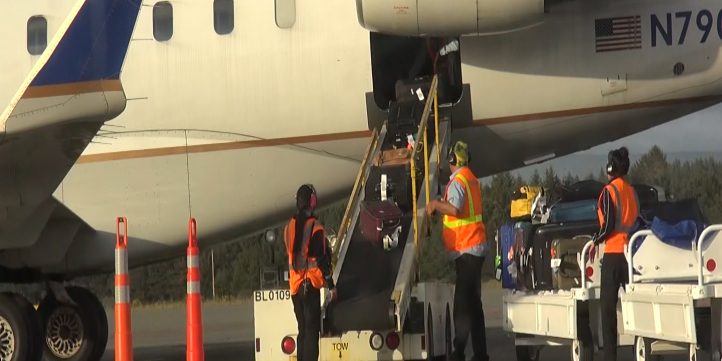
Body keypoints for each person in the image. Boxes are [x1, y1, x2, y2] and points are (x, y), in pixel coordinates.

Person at [426, 141, 489, 361]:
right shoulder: (471, 179)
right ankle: (480, 354)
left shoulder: (458, 181)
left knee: (462, 305)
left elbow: (454, 208)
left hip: (467, 250)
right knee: (474, 305)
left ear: (453, 160)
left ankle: (459, 352)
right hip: (475, 248)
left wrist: (435, 204)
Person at [591, 147, 639, 361]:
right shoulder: (631, 191)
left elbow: (608, 224)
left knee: (608, 311)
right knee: (636, 306)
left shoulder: (609, 192)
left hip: (612, 255)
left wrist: (595, 240)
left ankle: (610, 357)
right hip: (630, 255)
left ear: (610, 168)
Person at [284, 184, 336, 361]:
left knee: (302, 331)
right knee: (312, 332)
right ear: (312, 202)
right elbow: (321, 260)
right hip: (311, 287)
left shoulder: (289, 227)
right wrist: (331, 285)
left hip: (295, 288)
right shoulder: (316, 227)